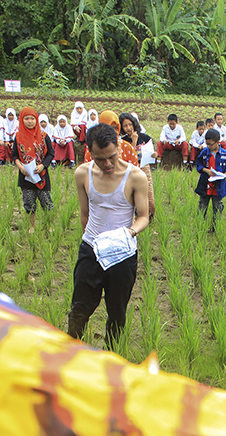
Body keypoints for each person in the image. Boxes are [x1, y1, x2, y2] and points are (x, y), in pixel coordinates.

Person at [68, 122, 150, 347]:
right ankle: (71, 353)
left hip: (122, 253)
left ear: (118, 147)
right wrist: (93, 244)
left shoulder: (135, 177)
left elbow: (144, 216)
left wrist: (129, 233)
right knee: (79, 308)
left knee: (117, 312)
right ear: (90, 153)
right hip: (91, 250)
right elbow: (85, 214)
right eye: (100, 159)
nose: (107, 164)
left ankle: (111, 358)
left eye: (111, 157)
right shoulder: (82, 173)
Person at [13, 106, 55, 233]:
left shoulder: (43, 136)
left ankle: (49, 225)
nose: (30, 121)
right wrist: (21, 167)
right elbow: (14, 155)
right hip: (26, 175)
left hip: (41, 174)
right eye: (26, 118)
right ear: (21, 120)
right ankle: (32, 226)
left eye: (32, 118)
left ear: (36, 120)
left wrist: (43, 165)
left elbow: (51, 153)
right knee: (29, 202)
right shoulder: (18, 136)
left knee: (46, 201)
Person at [194, 127, 226, 230]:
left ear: (217, 142)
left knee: (217, 207)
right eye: (207, 143)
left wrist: (224, 174)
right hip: (205, 184)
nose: (208, 146)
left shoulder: (225, 154)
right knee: (202, 205)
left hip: (218, 186)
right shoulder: (204, 153)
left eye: (211, 144)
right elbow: (198, 164)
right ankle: (200, 226)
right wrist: (207, 171)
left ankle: (215, 227)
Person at [120, 113, 155, 216]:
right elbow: (130, 156)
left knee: (150, 198)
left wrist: (154, 154)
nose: (129, 128)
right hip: (131, 170)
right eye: (125, 126)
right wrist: (134, 142)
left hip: (144, 167)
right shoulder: (123, 141)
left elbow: (150, 151)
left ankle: (150, 219)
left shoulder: (144, 137)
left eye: (130, 124)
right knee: (134, 197)